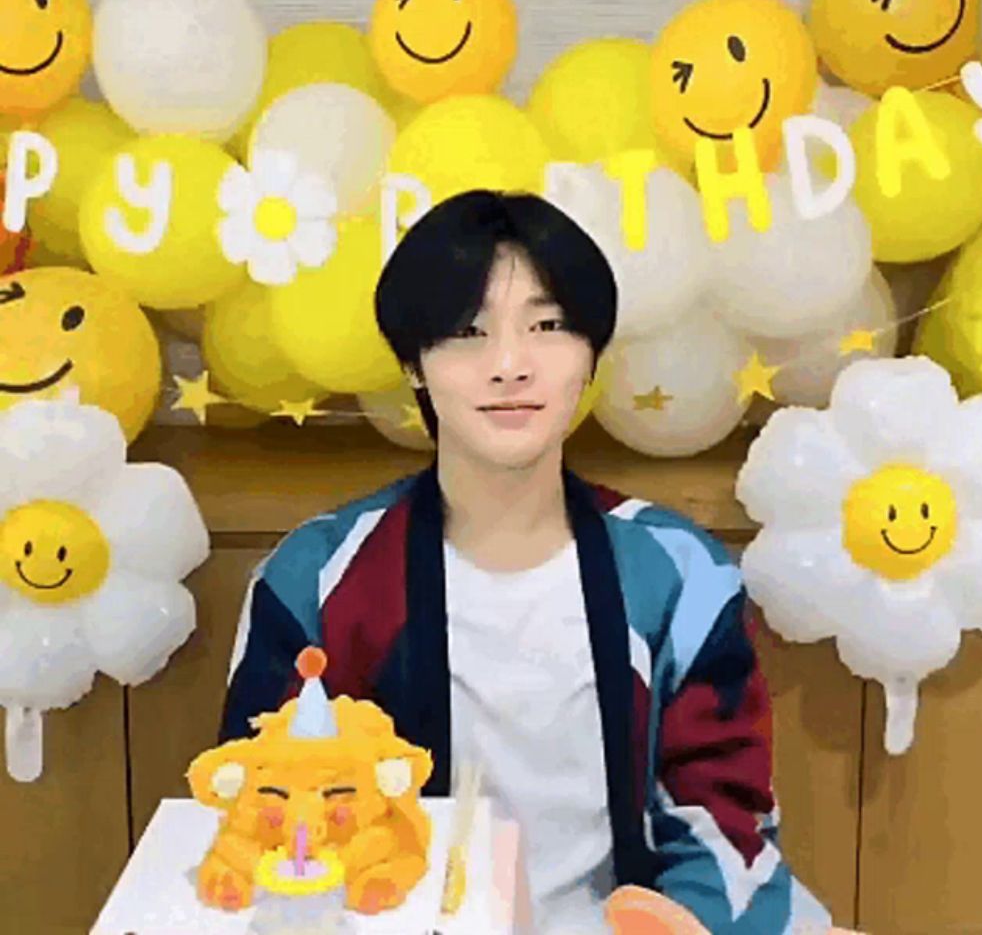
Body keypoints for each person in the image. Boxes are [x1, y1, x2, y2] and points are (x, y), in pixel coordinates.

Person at [220, 189, 847, 934]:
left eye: (547, 326)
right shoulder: (318, 580)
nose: (510, 365)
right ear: (414, 365)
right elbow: (266, 823)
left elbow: (726, 822)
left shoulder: (680, 573)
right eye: (467, 332)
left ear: (590, 356)